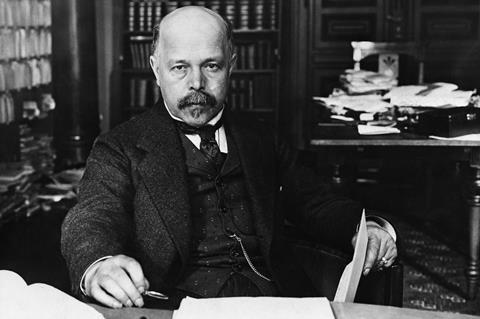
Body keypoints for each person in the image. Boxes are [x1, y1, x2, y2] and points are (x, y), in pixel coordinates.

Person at [61, 6, 397, 309]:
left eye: (211, 66)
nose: (197, 83)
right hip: (177, 307)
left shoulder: (261, 136)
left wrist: (363, 228)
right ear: (155, 69)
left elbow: (314, 202)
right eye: (179, 67)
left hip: (276, 303)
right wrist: (97, 263)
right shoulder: (119, 146)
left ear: (231, 66)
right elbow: (92, 216)